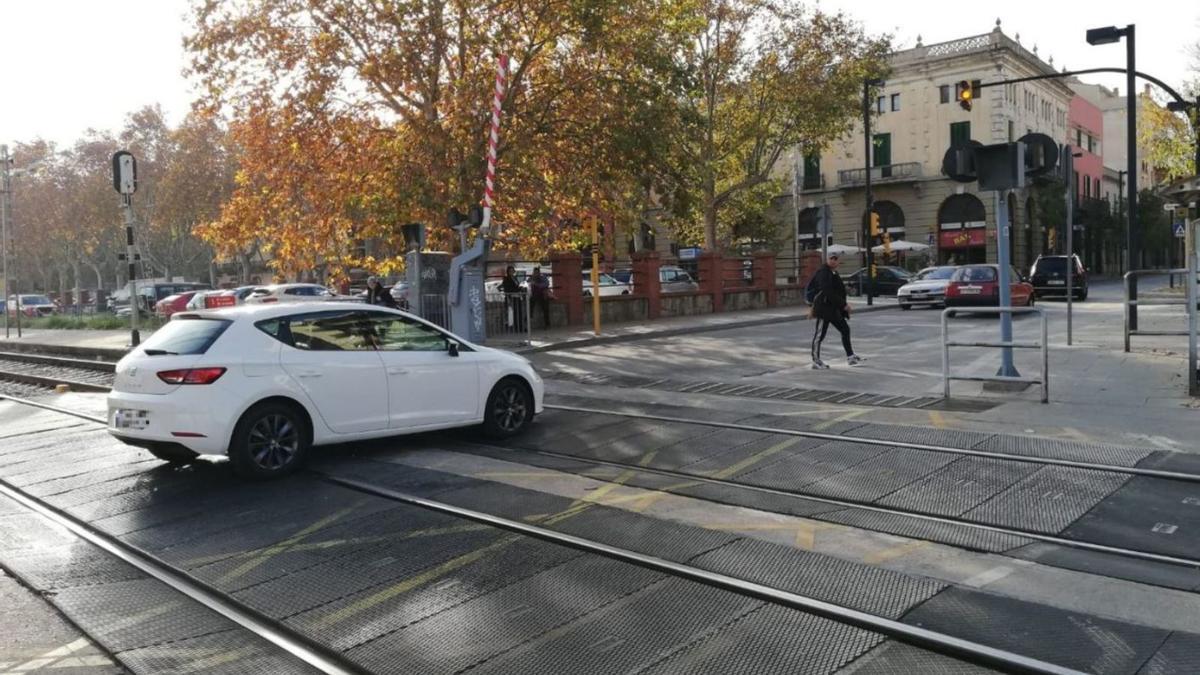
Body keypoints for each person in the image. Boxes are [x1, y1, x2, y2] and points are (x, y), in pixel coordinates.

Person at [808, 253, 863, 369]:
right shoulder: (823, 272)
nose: (833, 261)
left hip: (833, 309)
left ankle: (850, 356)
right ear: (827, 260)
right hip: (824, 309)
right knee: (819, 335)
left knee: (845, 329)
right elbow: (827, 291)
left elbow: (838, 291)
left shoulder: (833, 272)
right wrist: (843, 305)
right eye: (831, 258)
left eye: (835, 259)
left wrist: (843, 307)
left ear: (838, 261)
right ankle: (815, 361)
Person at [499, 266, 526, 331]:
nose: (512, 272)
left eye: (512, 271)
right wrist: (517, 289)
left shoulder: (515, 278)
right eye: (510, 271)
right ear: (508, 272)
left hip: (517, 296)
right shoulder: (506, 279)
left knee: (519, 312)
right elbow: (508, 288)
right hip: (511, 297)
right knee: (514, 313)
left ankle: (520, 327)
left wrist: (521, 288)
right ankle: (516, 328)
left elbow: (517, 286)